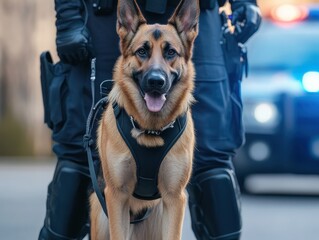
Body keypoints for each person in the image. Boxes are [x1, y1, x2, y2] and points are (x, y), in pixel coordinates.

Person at [38, 0, 261, 239]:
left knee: (214, 160)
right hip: (106, 14)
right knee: (79, 153)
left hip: (196, 11)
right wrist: (68, 15)